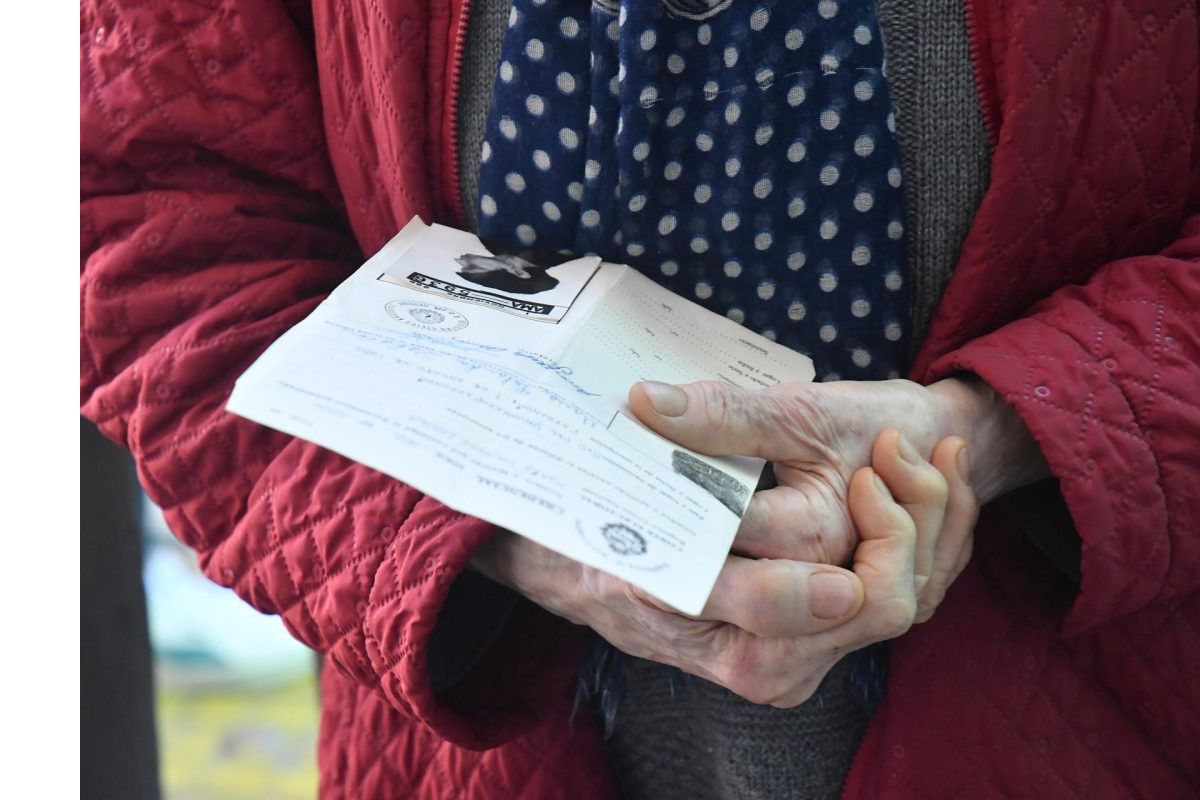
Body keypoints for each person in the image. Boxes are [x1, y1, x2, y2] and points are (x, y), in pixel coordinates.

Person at [80, 0, 1199, 798]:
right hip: (474, 750)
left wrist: (996, 431)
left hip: (1104, 727)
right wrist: (506, 532)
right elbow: (149, 230)